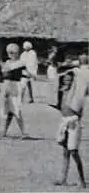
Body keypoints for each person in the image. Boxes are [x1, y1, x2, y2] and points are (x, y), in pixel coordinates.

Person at [54, 55, 88, 188]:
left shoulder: (77, 94)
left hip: (73, 122)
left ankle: (82, 181)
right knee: (65, 152)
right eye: (65, 80)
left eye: (69, 80)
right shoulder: (62, 92)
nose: (66, 81)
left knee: (73, 151)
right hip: (64, 121)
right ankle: (63, 178)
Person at [1, 43, 30, 138]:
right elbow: (3, 74)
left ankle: (24, 132)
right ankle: (4, 131)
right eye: (10, 52)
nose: (11, 54)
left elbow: (27, 75)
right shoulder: (7, 63)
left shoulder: (21, 63)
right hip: (7, 86)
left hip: (16, 86)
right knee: (8, 111)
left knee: (16, 110)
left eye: (13, 52)